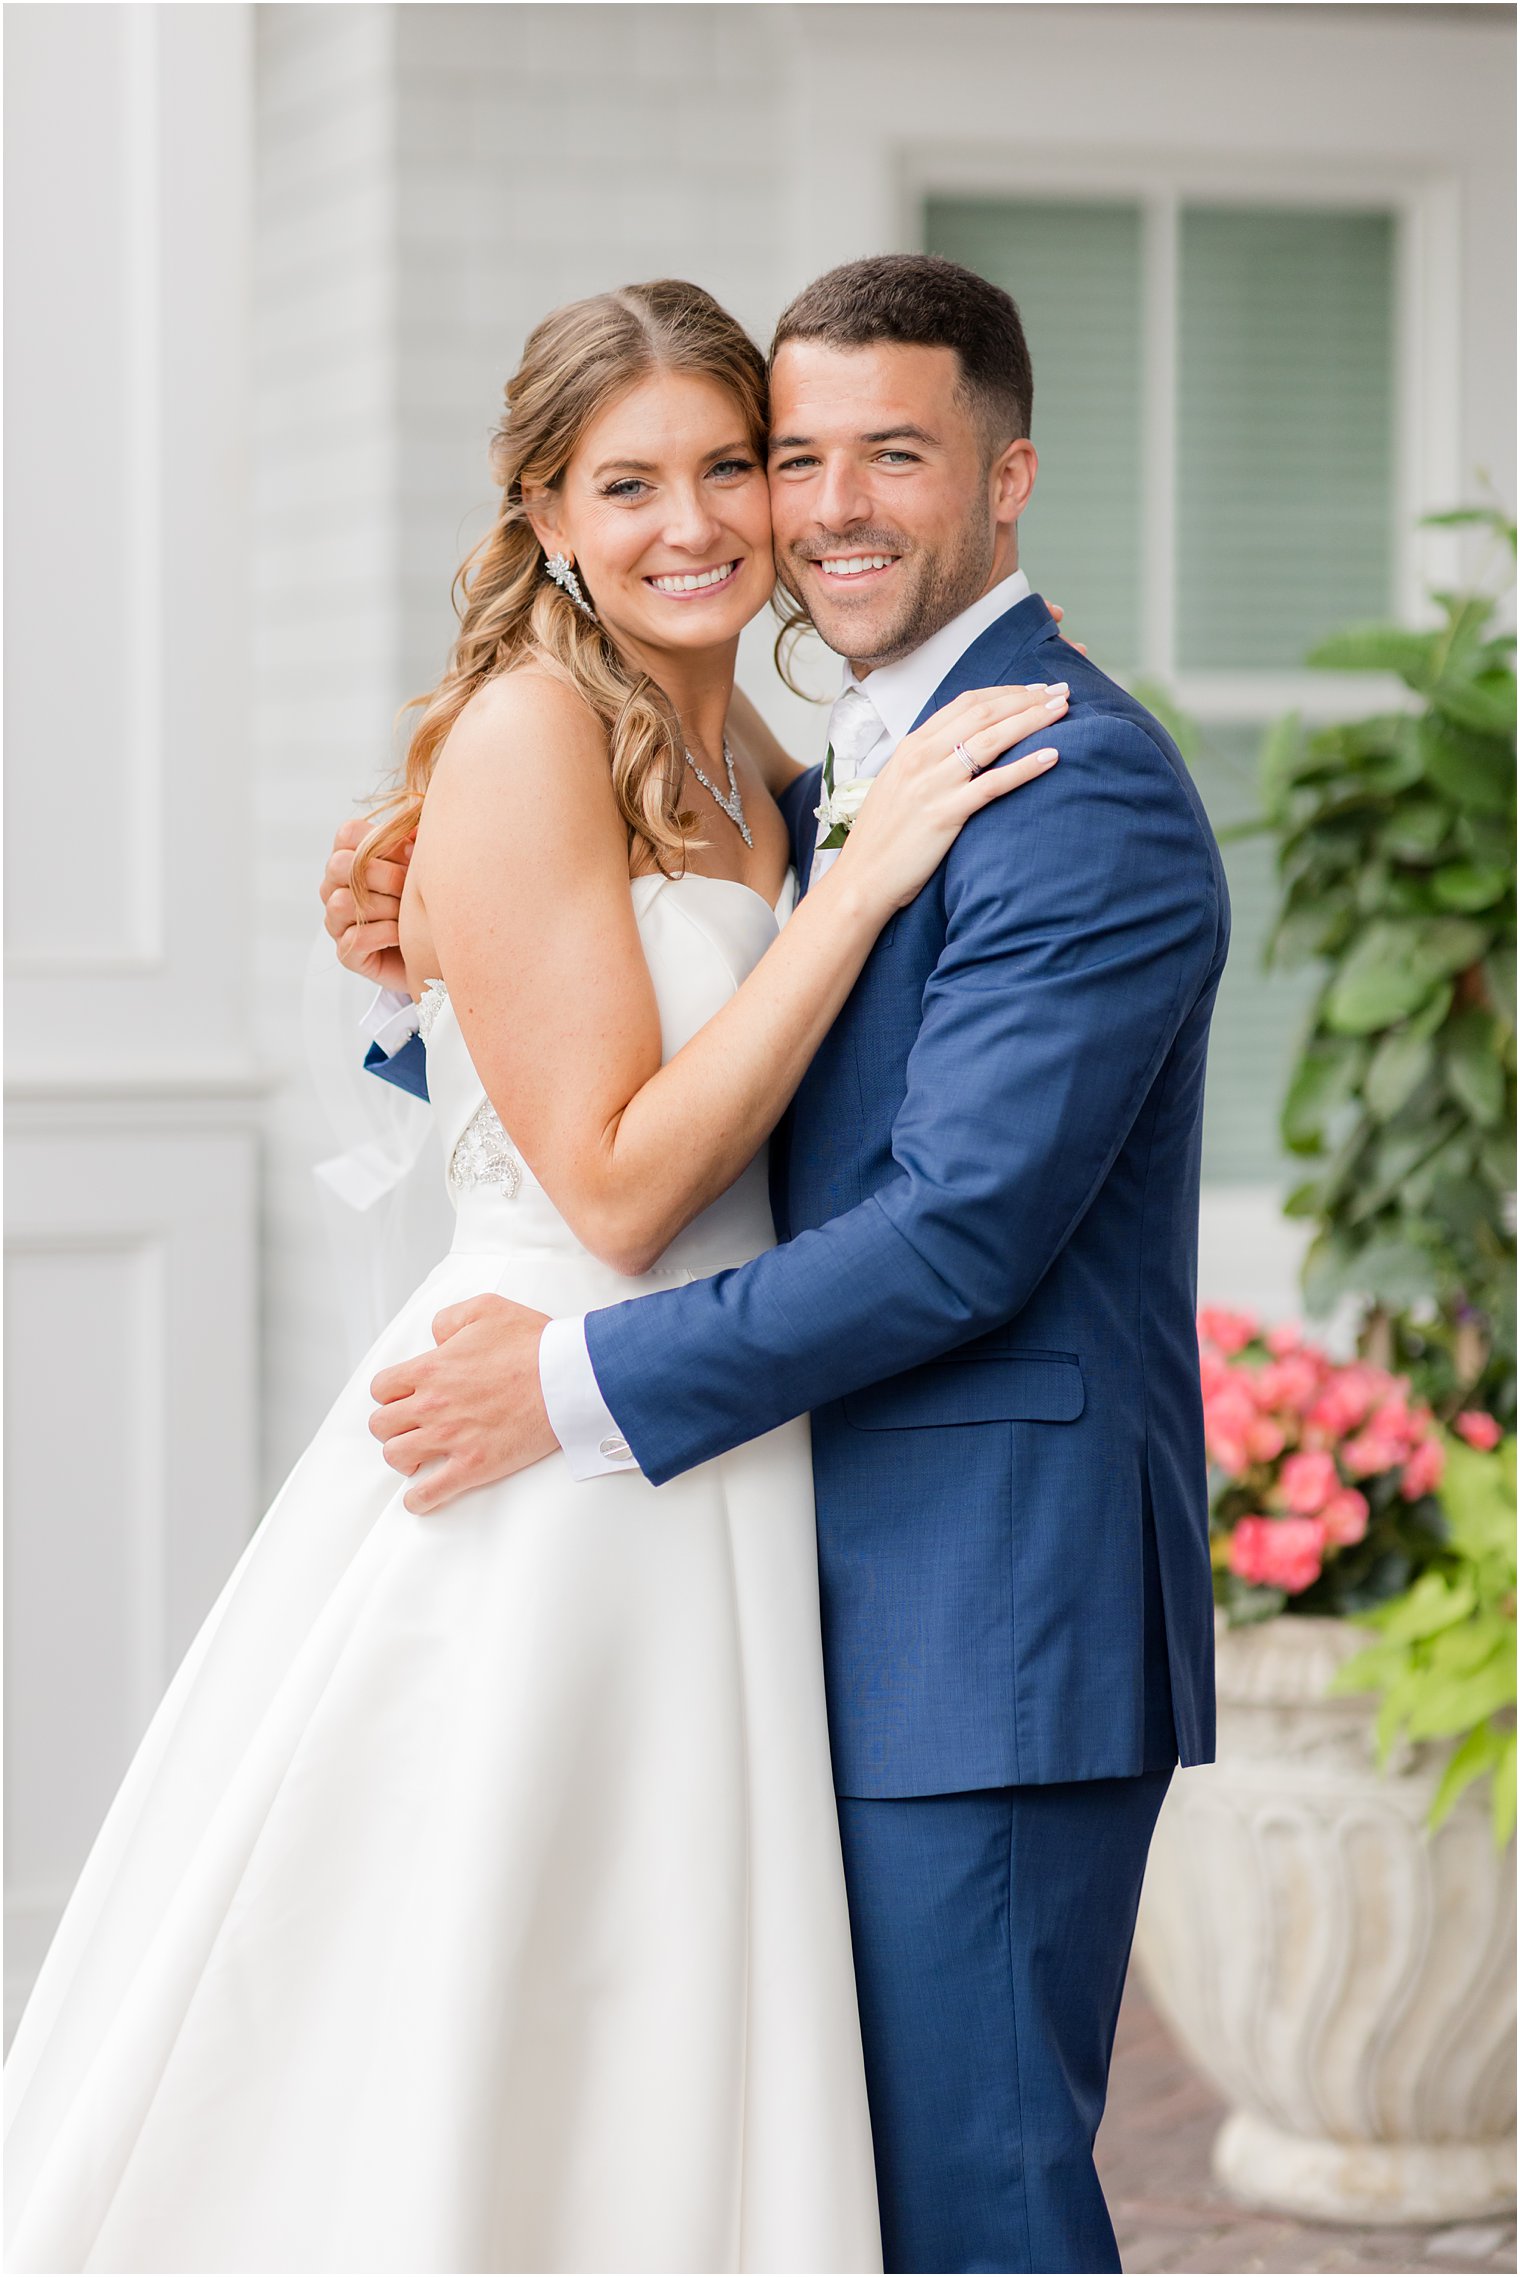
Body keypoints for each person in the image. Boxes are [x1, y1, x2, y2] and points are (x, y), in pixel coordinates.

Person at [3, 279, 1063, 2275]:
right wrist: (852, 889)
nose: (695, 521)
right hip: (555, 1428)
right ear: (547, 514)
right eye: (628, 481)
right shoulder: (525, 731)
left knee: (669, 2001)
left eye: (730, 465)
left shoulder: (756, 742)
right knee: (489, 1978)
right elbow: (616, 1184)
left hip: (721, 1429)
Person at [354, 254, 1231, 2276]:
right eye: (798, 454)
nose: (815, 506)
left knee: (973, 2201)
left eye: (885, 455)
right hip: (782, 1568)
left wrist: (572, 1385)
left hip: (980, 1609)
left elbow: (956, 1229)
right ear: (548, 520)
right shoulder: (806, 762)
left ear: (1007, 481)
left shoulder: (1060, 780)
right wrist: (428, 948)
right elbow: (666, 1045)